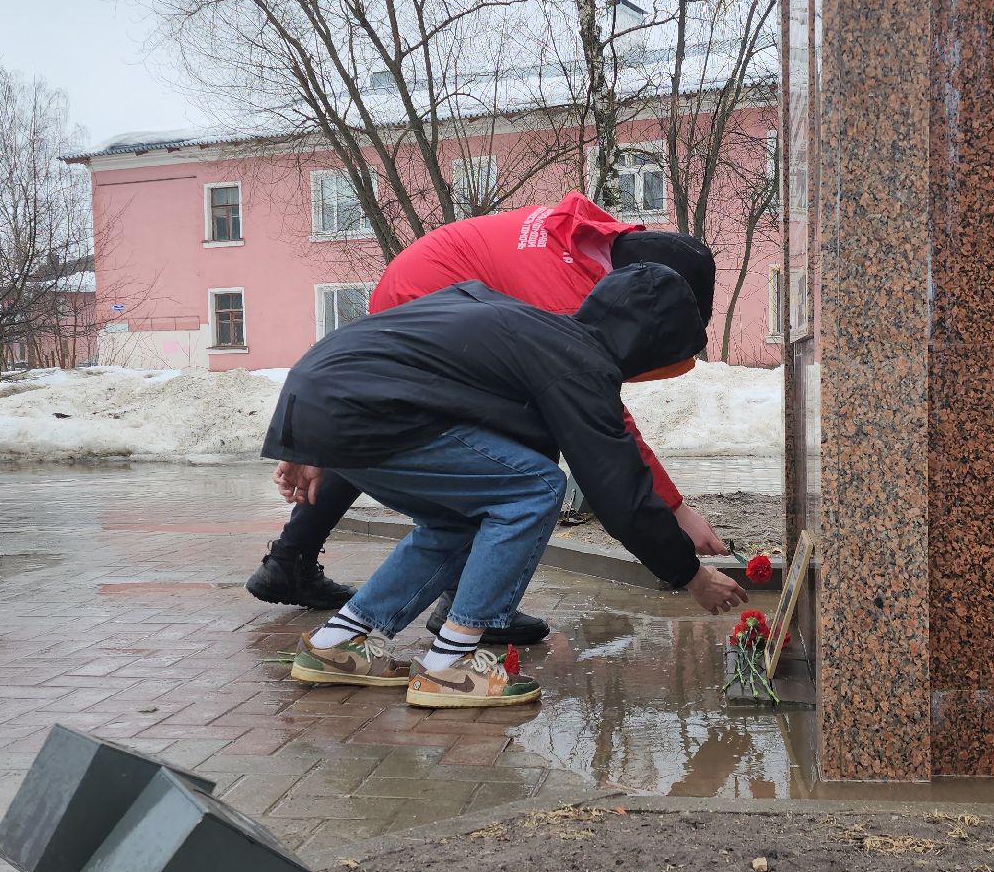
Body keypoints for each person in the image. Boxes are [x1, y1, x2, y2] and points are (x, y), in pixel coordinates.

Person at [245, 192, 732, 645]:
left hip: (355, 368)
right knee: (530, 483)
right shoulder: (563, 306)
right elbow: (604, 446)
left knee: (469, 497)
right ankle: (460, 641)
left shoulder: (601, 247)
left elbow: (338, 365)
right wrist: (681, 547)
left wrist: (306, 438)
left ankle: (339, 633)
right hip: (415, 307)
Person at [264, 262, 750, 706]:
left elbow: (375, 346)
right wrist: (690, 575)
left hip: (325, 393)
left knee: (457, 518)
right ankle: (451, 664)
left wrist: (305, 433)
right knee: (534, 488)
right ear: (654, 342)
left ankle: (337, 643)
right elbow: (616, 487)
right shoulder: (577, 362)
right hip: (359, 409)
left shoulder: (525, 328)